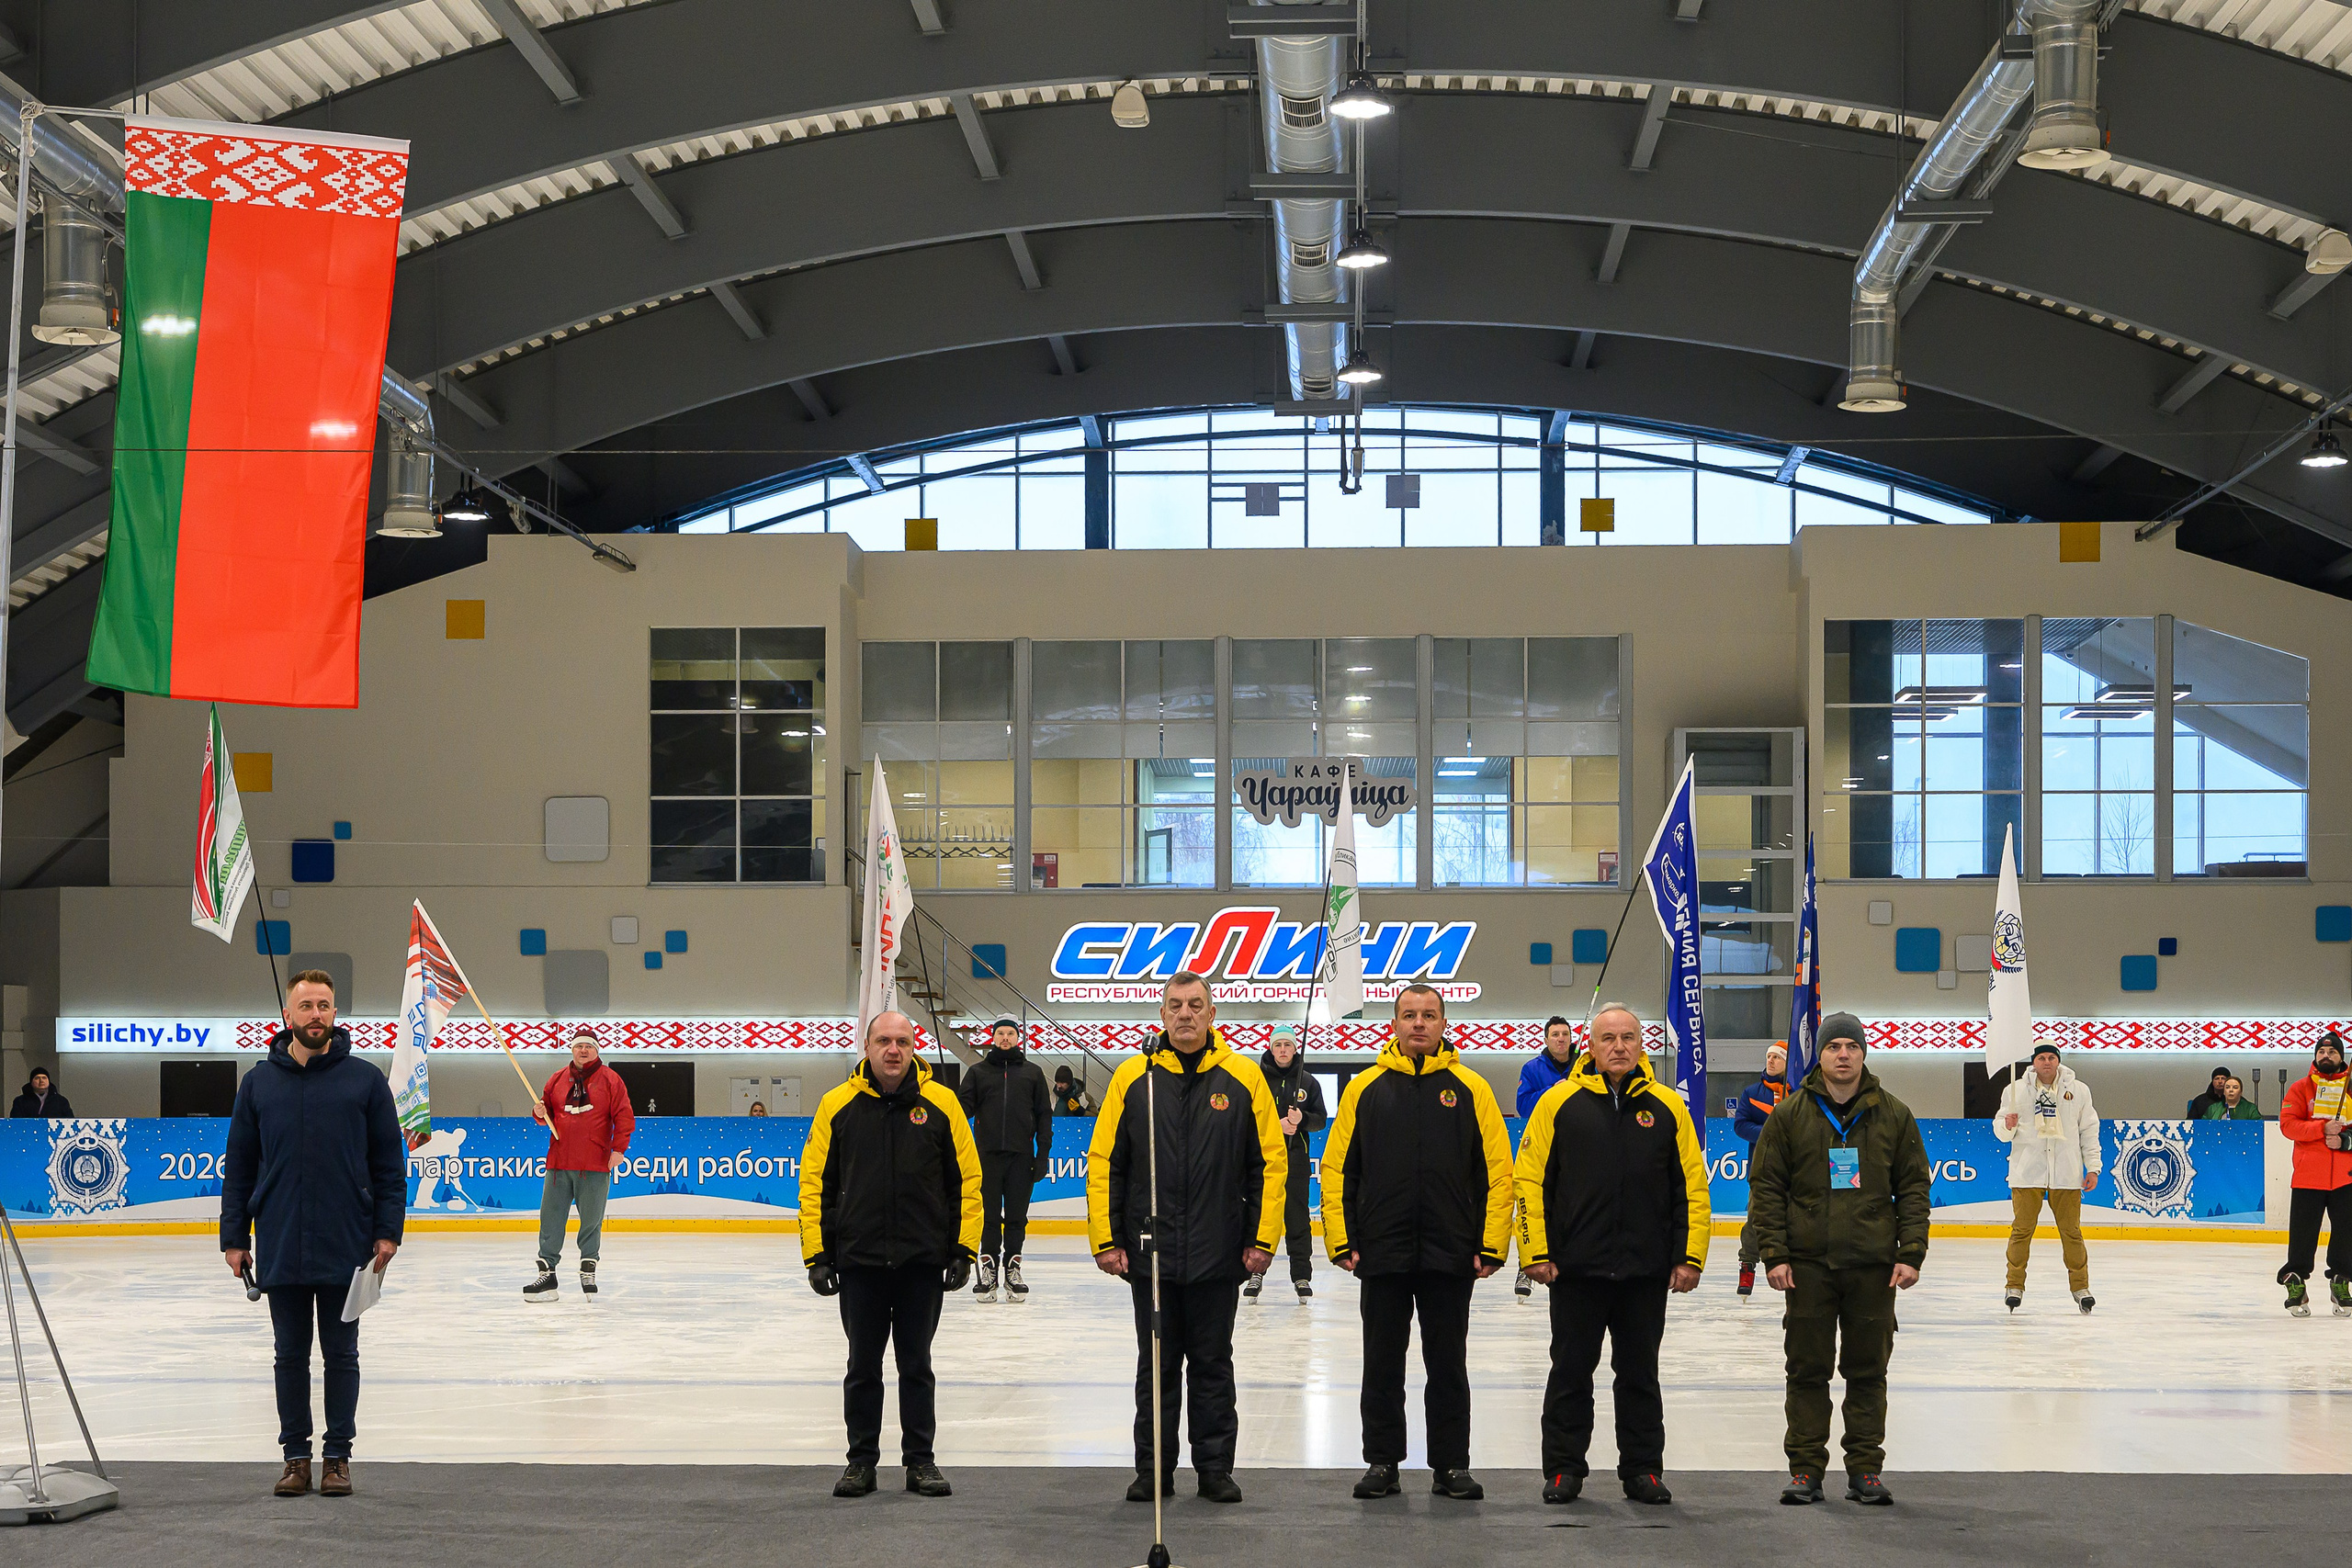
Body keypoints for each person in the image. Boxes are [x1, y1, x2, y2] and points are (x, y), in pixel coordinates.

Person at [1087, 972, 1283, 1505]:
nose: (1186, 1014)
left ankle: (1214, 1468)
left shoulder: (1243, 1078)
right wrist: (1107, 1240)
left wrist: (1261, 1240)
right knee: (1156, 1367)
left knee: (1213, 1364)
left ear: (1213, 1014)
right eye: (1176, 1005)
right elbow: (1106, 1162)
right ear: (1161, 1015)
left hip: (1219, 1255)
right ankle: (1154, 1471)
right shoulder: (1134, 1078)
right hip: (1150, 1257)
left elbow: (1268, 1164)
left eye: (1196, 1005)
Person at [219, 970, 404, 1499]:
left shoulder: (365, 1080)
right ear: (288, 1016)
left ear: (334, 1014)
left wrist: (387, 1231)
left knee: (342, 1355)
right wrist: (235, 1237)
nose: (316, 1015)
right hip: (281, 1240)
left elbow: (389, 1165)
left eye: (324, 1005)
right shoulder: (258, 1083)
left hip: (348, 1243)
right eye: (306, 1006)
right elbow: (240, 1166)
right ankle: (296, 1457)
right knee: (290, 1355)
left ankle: (338, 1458)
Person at [1322, 987, 1511, 1502]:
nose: (1419, 1024)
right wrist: (1343, 1241)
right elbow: (1339, 1170)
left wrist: (1490, 1245)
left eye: (1429, 1015)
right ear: (1395, 1023)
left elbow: (1497, 1173)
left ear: (1444, 1022)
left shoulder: (1471, 1088)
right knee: (1381, 1363)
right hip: (1381, 1253)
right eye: (1410, 1015)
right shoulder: (1366, 1089)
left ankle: (1451, 1465)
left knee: (1447, 1365)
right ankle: (1382, 1461)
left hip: (1450, 1256)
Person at [1513, 1003, 1707, 1506]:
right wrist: (1534, 1252)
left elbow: (1691, 1186)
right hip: (1575, 1271)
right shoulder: (1558, 1102)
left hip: (1645, 1272)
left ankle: (1642, 1470)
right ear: (1591, 1046)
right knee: (1570, 1372)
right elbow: (1530, 1181)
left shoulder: (1668, 1106)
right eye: (1608, 1039)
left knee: (1640, 1375)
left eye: (1628, 1038)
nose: (1618, 1047)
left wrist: (1689, 1257)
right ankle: (1563, 1469)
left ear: (1642, 1045)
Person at [1748, 1010, 1930, 1506]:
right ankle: (1806, 1469)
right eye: (1834, 1047)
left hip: (1873, 1267)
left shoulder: (1893, 1114)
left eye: (1851, 1046)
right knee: (1806, 1371)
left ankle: (1865, 1469)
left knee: (1867, 1372)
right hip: (1807, 1266)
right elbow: (1766, 1188)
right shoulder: (1789, 1115)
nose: (1843, 1055)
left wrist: (1911, 1251)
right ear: (1820, 1056)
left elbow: (1914, 1188)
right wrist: (1774, 1253)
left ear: (1864, 1054)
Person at [800, 1010, 981, 1497]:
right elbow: (816, 1182)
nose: (893, 1050)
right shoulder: (837, 1105)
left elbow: (965, 1180)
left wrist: (964, 1248)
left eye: (902, 1040)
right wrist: (817, 1255)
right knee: (862, 1366)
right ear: (867, 1045)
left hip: (922, 1263)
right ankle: (861, 1462)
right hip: (859, 1263)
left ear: (913, 1047)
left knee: (916, 1365)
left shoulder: (941, 1104)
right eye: (883, 1040)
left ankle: (920, 1462)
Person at [526, 1025, 635, 1302]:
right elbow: (546, 1112)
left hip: (595, 1163)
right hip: (559, 1162)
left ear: (596, 1051)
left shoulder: (611, 1080)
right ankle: (547, 1274)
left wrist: (619, 1149)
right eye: (578, 1046)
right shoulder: (557, 1079)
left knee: (591, 1221)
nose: (583, 1051)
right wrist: (539, 1112)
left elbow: (624, 1116)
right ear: (572, 1050)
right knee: (550, 1218)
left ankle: (588, 1268)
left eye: (588, 1046)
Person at [1994, 1041, 2101, 1314]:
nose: (2046, 1062)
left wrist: (2093, 1167)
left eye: (2051, 1057)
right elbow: (2001, 1130)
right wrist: (2007, 1125)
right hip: (2028, 1172)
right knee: (2021, 1231)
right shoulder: (2015, 1090)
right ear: (2033, 1063)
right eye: (2041, 1058)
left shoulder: (2078, 1090)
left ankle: (2081, 1288)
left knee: (2072, 1232)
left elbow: (2089, 1130)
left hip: (2066, 1172)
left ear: (2058, 1061)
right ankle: (2014, 1285)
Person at [957, 1018, 1053, 1303]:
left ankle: (1013, 1270)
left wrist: (1043, 1154)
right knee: (987, 1217)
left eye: (1011, 1033)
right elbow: (961, 1111)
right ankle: (988, 1273)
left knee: (1016, 1218)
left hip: (1021, 1158)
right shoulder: (978, 1072)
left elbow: (1044, 1116)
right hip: (986, 1158)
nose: (1005, 1038)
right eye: (1000, 1033)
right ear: (993, 1037)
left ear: (1018, 1038)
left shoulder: (1033, 1074)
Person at [2278, 1031, 2352, 1317]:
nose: (2327, 1056)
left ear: (2341, 1057)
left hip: (2346, 1176)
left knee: (2347, 1233)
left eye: (2332, 1052)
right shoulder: (2300, 1088)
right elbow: (2288, 1125)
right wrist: (2320, 1129)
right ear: (2315, 1055)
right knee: (2302, 1234)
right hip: (2308, 1176)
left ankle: (2341, 1279)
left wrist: (2345, 1141)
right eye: (2322, 1051)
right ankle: (2295, 1280)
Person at [1252, 1022, 1329, 1301]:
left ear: (1295, 1048)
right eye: (1277, 1045)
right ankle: (1255, 1272)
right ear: (1270, 1049)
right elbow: (1248, 1118)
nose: (1282, 1050)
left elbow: (1320, 1119)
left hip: (1295, 1160)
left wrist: (1302, 1120)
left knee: (1297, 1219)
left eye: (1287, 1045)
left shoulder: (1307, 1081)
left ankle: (1301, 1277)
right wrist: (1277, 1124)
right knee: (1259, 1217)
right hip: (1262, 1161)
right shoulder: (1257, 1079)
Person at [1512, 1015, 1581, 1301]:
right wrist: (1552, 1092)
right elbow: (1523, 1106)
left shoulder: (1584, 1066)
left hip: (1577, 1147)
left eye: (1565, 1034)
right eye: (1555, 1034)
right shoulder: (1532, 1069)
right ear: (1546, 1039)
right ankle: (1525, 1266)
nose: (1561, 1039)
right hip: (1542, 1148)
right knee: (1535, 1208)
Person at [1730, 1042, 1791, 1297]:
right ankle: (1748, 1265)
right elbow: (1740, 1125)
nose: (1771, 1061)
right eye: (1769, 1057)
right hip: (1762, 1168)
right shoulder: (1752, 1092)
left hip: (1797, 1170)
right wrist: (1769, 1133)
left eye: (1777, 1057)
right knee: (1756, 1218)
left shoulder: (1799, 1093)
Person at [8, 1066, 74, 1118]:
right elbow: (15, 1122)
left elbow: (69, 1121)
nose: (41, 1081)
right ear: (31, 1082)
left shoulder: (61, 1101)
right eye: (37, 1078)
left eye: (44, 1078)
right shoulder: (20, 1101)